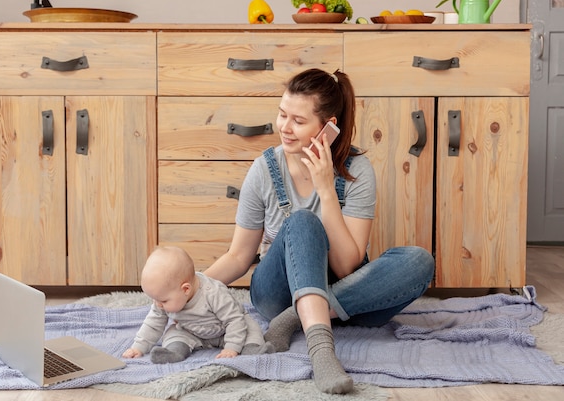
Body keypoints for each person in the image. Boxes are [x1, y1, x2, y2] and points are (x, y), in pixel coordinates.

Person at [203, 68, 435, 394]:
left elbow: (346, 267)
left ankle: (296, 318)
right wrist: (193, 288)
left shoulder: (357, 171)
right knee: (300, 221)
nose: (284, 127)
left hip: (350, 296)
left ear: (329, 127)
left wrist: (327, 191)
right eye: (282, 114)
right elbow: (239, 256)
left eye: (298, 121)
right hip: (277, 294)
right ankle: (322, 352)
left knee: (419, 261)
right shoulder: (265, 168)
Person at [123, 246, 274, 363]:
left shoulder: (214, 293)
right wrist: (138, 347)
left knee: (250, 330)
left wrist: (232, 348)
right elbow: (153, 324)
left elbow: (234, 321)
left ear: (185, 289)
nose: (158, 305)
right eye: (154, 299)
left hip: (226, 329)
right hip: (194, 332)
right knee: (174, 333)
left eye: (163, 300)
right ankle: (175, 351)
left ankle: (254, 349)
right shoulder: (164, 297)